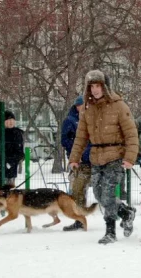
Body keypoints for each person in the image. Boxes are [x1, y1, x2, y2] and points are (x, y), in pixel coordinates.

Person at [69, 70, 139, 244]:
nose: (95, 90)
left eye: (98, 86)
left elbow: (131, 133)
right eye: (92, 86)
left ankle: (110, 231)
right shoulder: (87, 108)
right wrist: (74, 158)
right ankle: (126, 212)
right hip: (96, 156)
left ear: (105, 86)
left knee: (107, 194)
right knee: (99, 194)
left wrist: (130, 157)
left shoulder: (119, 106)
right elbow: (81, 136)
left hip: (115, 155)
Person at [61, 95, 92, 231]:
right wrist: (76, 152)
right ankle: (79, 218)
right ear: (77, 106)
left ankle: (80, 218)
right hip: (78, 160)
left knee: (83, 190)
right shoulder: (71, 120)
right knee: (77, 190)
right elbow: (65, 140)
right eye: (82, 106)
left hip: (91, 159)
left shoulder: (90, 119)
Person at [0, 110, 24, 189]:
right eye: (8, 120)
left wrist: (9, 163)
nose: (11, 122)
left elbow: (19, 153)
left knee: (9, 195)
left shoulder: (17, 134)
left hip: (10, 171)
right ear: (3, 121)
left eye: (13, 120)